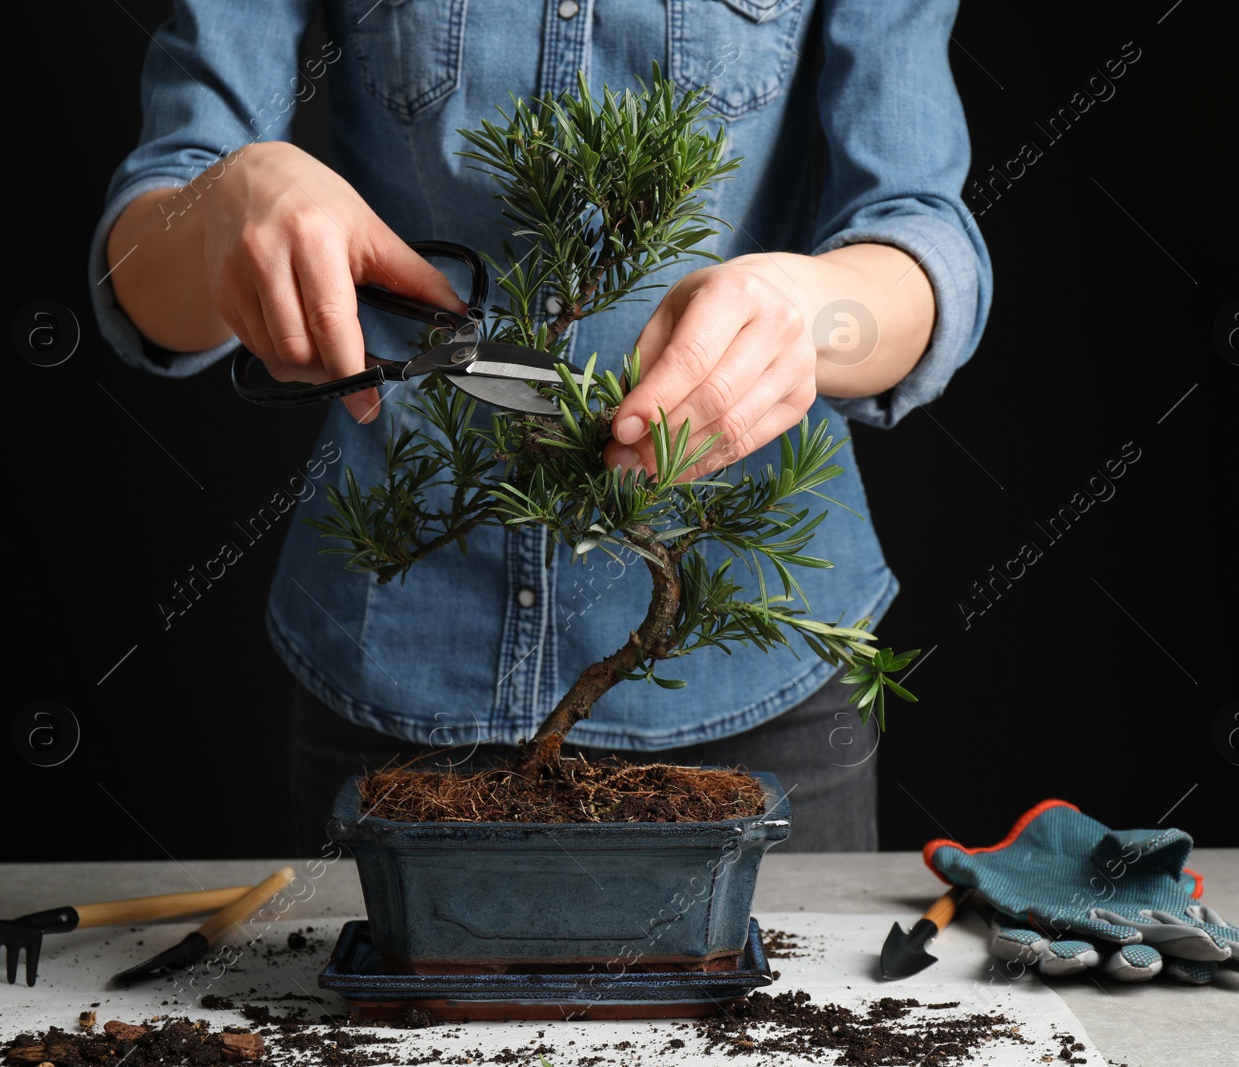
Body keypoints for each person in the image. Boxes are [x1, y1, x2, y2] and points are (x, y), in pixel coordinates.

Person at [90, 0, 992, 854]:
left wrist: (811, 307)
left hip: (760, 671)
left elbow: (917, 230)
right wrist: (222, 202)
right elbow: (145, 262)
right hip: (397, 657)